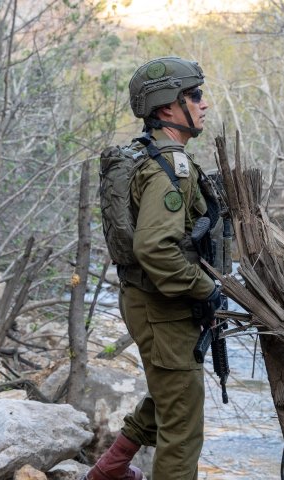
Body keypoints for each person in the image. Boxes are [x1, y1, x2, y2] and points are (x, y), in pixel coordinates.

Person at [86, 57, 224, 480]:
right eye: (194, 95)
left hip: (151, 302)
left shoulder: (153, 157)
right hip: (161, 306)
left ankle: (110, 468)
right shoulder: (170, 168)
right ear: (167, 107)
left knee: (173, 393)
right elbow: (155, 247)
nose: (204, 104)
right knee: (182, 433)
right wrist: (207, 289)